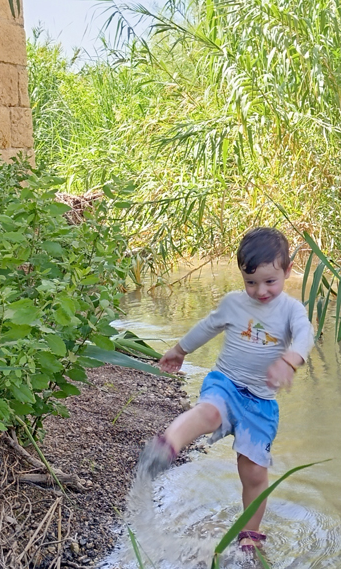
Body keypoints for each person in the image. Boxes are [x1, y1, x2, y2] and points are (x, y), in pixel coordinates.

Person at [135, 227, 314, 555]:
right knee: (209, 412)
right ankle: (165, 446)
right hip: (227, 383)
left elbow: (305, 335)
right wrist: (179, 349)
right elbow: (207, 326)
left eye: (270, 282)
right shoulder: (234, 304)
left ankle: (250, 534)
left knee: (254, 473)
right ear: (242, 277)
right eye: (251, 282)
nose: (260, 291)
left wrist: (289, 360)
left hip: (261, 404)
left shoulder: (291, 311)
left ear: (288, 271)